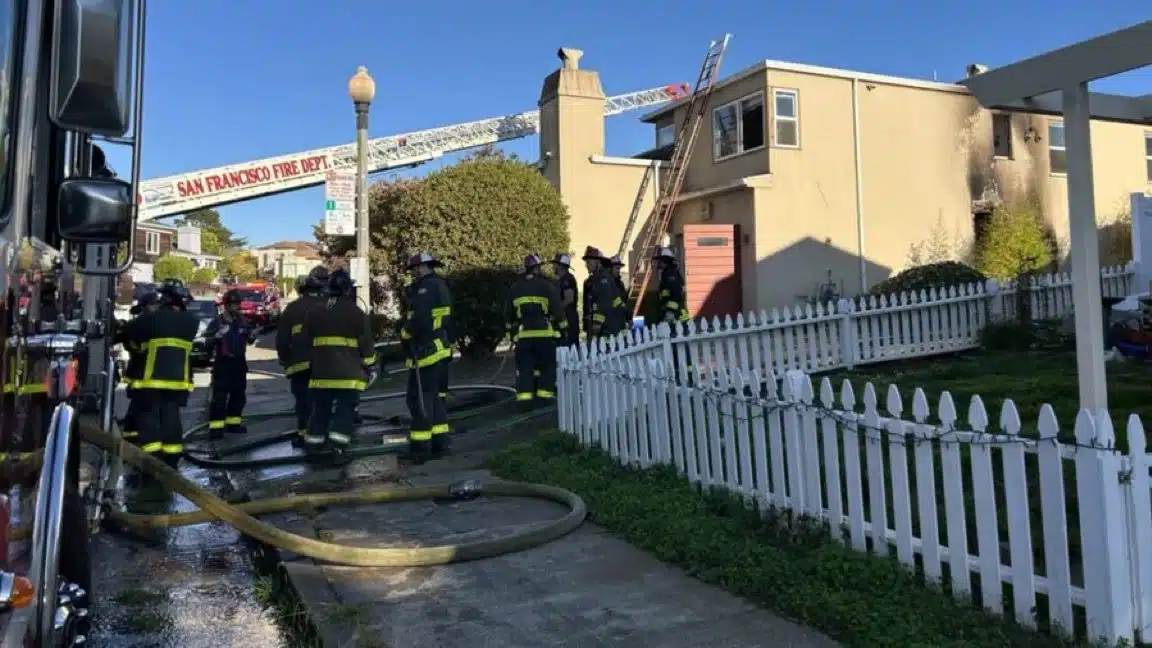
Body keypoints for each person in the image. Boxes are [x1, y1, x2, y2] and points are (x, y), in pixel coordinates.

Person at [301, 268, 377, 465]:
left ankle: (313, 447)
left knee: (320, 409)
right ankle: (338, 449)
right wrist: (371, 366)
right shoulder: (355, 312)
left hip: (320, 375)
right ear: (347, 289)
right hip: (348, 375)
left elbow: (305, 341)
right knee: (345, 410)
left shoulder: (315, 310)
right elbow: (366, 345)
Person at [119, 283, 199, 468]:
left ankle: (152, 460)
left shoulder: (152, 319)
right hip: (179, 382)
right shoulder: (191, 322)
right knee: (171, 415)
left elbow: (128, 332)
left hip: (151, 380)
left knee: (149, 417)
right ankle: (172, 456)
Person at [399, 252, 453, 462]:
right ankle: (440, 443)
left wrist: (405, 333)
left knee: (418, 399)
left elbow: (420, 319)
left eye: (414, 270)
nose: (413, 273)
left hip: (426, 351)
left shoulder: (425, 288)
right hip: (437, 348)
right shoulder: (439, 285)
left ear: (422, 267)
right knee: (434, 399)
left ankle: (420, 448)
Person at [278, 265, 328, 447]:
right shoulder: (327, 306)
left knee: (304, 402)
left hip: (299, 365)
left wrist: (284, 358)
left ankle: (303, 436)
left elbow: (282, 339)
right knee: (322, 401)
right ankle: (322, 435)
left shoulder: (292, 309)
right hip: (324, 364)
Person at [507, 253, 565, 406]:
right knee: (547, 366)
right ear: (538, 268)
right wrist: (564, 327)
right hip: (544, 335)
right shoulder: (546, 286)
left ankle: (525, 399)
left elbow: (508, 313)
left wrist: (511, 331)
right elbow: (557, 309)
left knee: (525, 368)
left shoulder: (515, 287)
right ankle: (544, 396)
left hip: (524, 335)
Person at [205, 290, 255, 439]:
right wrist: (216, 336)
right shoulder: (217, 322)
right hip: (223, 363)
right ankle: (216, 428)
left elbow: (249, 337)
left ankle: (234, 424)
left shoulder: (242, 321)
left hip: (239, 363)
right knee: (219, 397)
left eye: (237, 305)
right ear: (226, 306)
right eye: (232, 305)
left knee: (238, 396)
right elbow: (207, 344)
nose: (235, 308)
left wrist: (251, 336)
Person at [116, 289, 162, 447]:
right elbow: (126, 340)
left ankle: (131, 433)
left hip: (149, 370)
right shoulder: (139, 323)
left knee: (139, 403)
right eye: (153, 304)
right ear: (145, 306)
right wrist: (137, 350)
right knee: (142, 404)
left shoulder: (154, 322)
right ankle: (136, 435)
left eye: (157, 304)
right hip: (140, 370)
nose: (156, 307)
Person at [582, 246, 627, 341]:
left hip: (608, 328)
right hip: (607, 326)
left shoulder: (603, 279)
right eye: (586, 262)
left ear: (598, 262)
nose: (587, 265)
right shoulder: (597, 279)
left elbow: (604, 303)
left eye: (589, 262)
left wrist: (597, 323)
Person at [552, 253, 579, 347]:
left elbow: (569, 299)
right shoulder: (558, 280)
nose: (553, 266)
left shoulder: (568, 279)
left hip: (569, 320)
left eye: (555, 264)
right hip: (562, 321)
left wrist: (555, 311)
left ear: (561, 266)